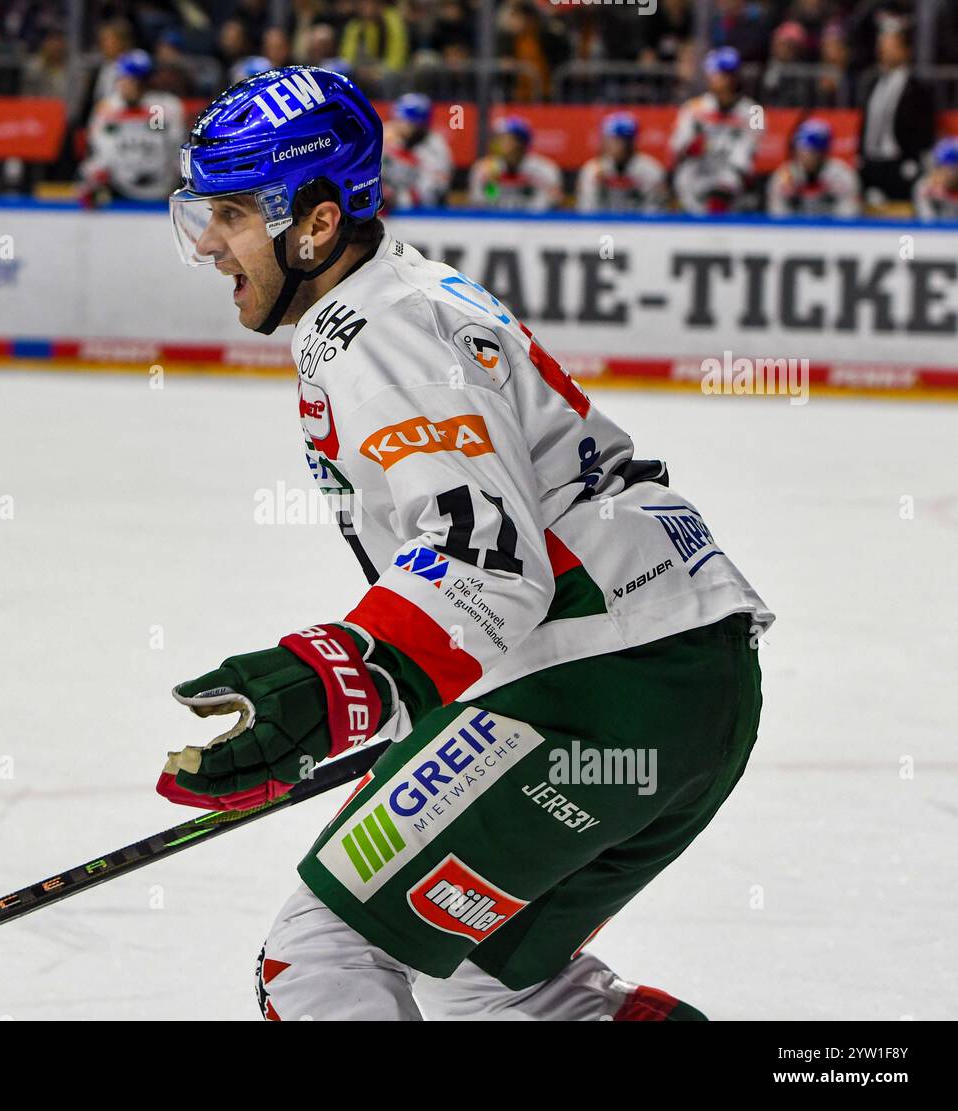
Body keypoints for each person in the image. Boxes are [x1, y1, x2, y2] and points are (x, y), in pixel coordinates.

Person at [164, 66, 773, 1021]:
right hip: (681, 682)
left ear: (316, 223)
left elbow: (483, 557)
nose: (208, 242)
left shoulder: (378, 329)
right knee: (490, 982)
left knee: (318, 959)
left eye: (233, 213)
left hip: (596, 684)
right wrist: (412, 705)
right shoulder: (398, 302)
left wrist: (336, 682)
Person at [79, 50, 185, 206]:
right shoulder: (108, 108)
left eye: (134, 80)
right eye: (124, 79)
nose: (125, 85)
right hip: (118, 188)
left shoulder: (166, 106)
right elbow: (99, 148)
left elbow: (176, 147)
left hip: (162, 188)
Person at [669, 46, 759, 214]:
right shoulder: (693, 108)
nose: (712, 78)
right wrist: (690, 146)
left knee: (728, 182)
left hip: (728, 173)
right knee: (684, 177)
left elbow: (748, 154)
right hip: (696, 171)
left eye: (717, 74)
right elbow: (675, 147)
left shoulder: (754, 111)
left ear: (732, 77)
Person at [857, 21, 935, 204]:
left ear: (905, 51)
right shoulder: (872, 82)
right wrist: (860, 154)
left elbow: (924, 129)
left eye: (891, 46)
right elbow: (867, 122)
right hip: (872, 162)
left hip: (899, 163)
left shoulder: (917, 89)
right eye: (883, 46)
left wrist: (913, 161)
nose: (884, 51)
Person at [766, 118, 860, 217]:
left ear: (822, 152)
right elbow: (777, 214)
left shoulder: (841, 175)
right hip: (794, 229)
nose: (803, 154)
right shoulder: (785, 174)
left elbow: (848, 216)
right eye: (800, 148)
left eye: (810, 150)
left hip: (832, 229)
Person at [575, 112, 667, 214]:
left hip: (640, 226)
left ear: (631, 142)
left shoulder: (650, 170)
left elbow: (656, 211)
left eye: (619, 140)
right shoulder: (593, 169)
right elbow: (587, 210)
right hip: (601, 226)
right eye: (608, 139)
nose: (611, 144)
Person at [467, 116, 562, 213]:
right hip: (494, 223)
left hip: (535, 224)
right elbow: (480, 205)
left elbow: (553, 207)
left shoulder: (545, 169)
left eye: (504, 139)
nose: (497, 143)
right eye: (496, 138)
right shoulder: (484, 168)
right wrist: (491, 184)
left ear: (520, 142)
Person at [381, 92, 452, 210]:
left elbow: (431, 194)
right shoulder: (384, 135)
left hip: (422, 216)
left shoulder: (435, 147)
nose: (397, 125)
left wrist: (392, 196)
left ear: (419, 124)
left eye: (403, 121)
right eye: (396, 119)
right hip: (386, 210)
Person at [913, 137, 958, 222]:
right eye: (941, 167)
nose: (950, 173)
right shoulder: (926, 187)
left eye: (954, 168)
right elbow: (928, 223)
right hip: (937, 233)